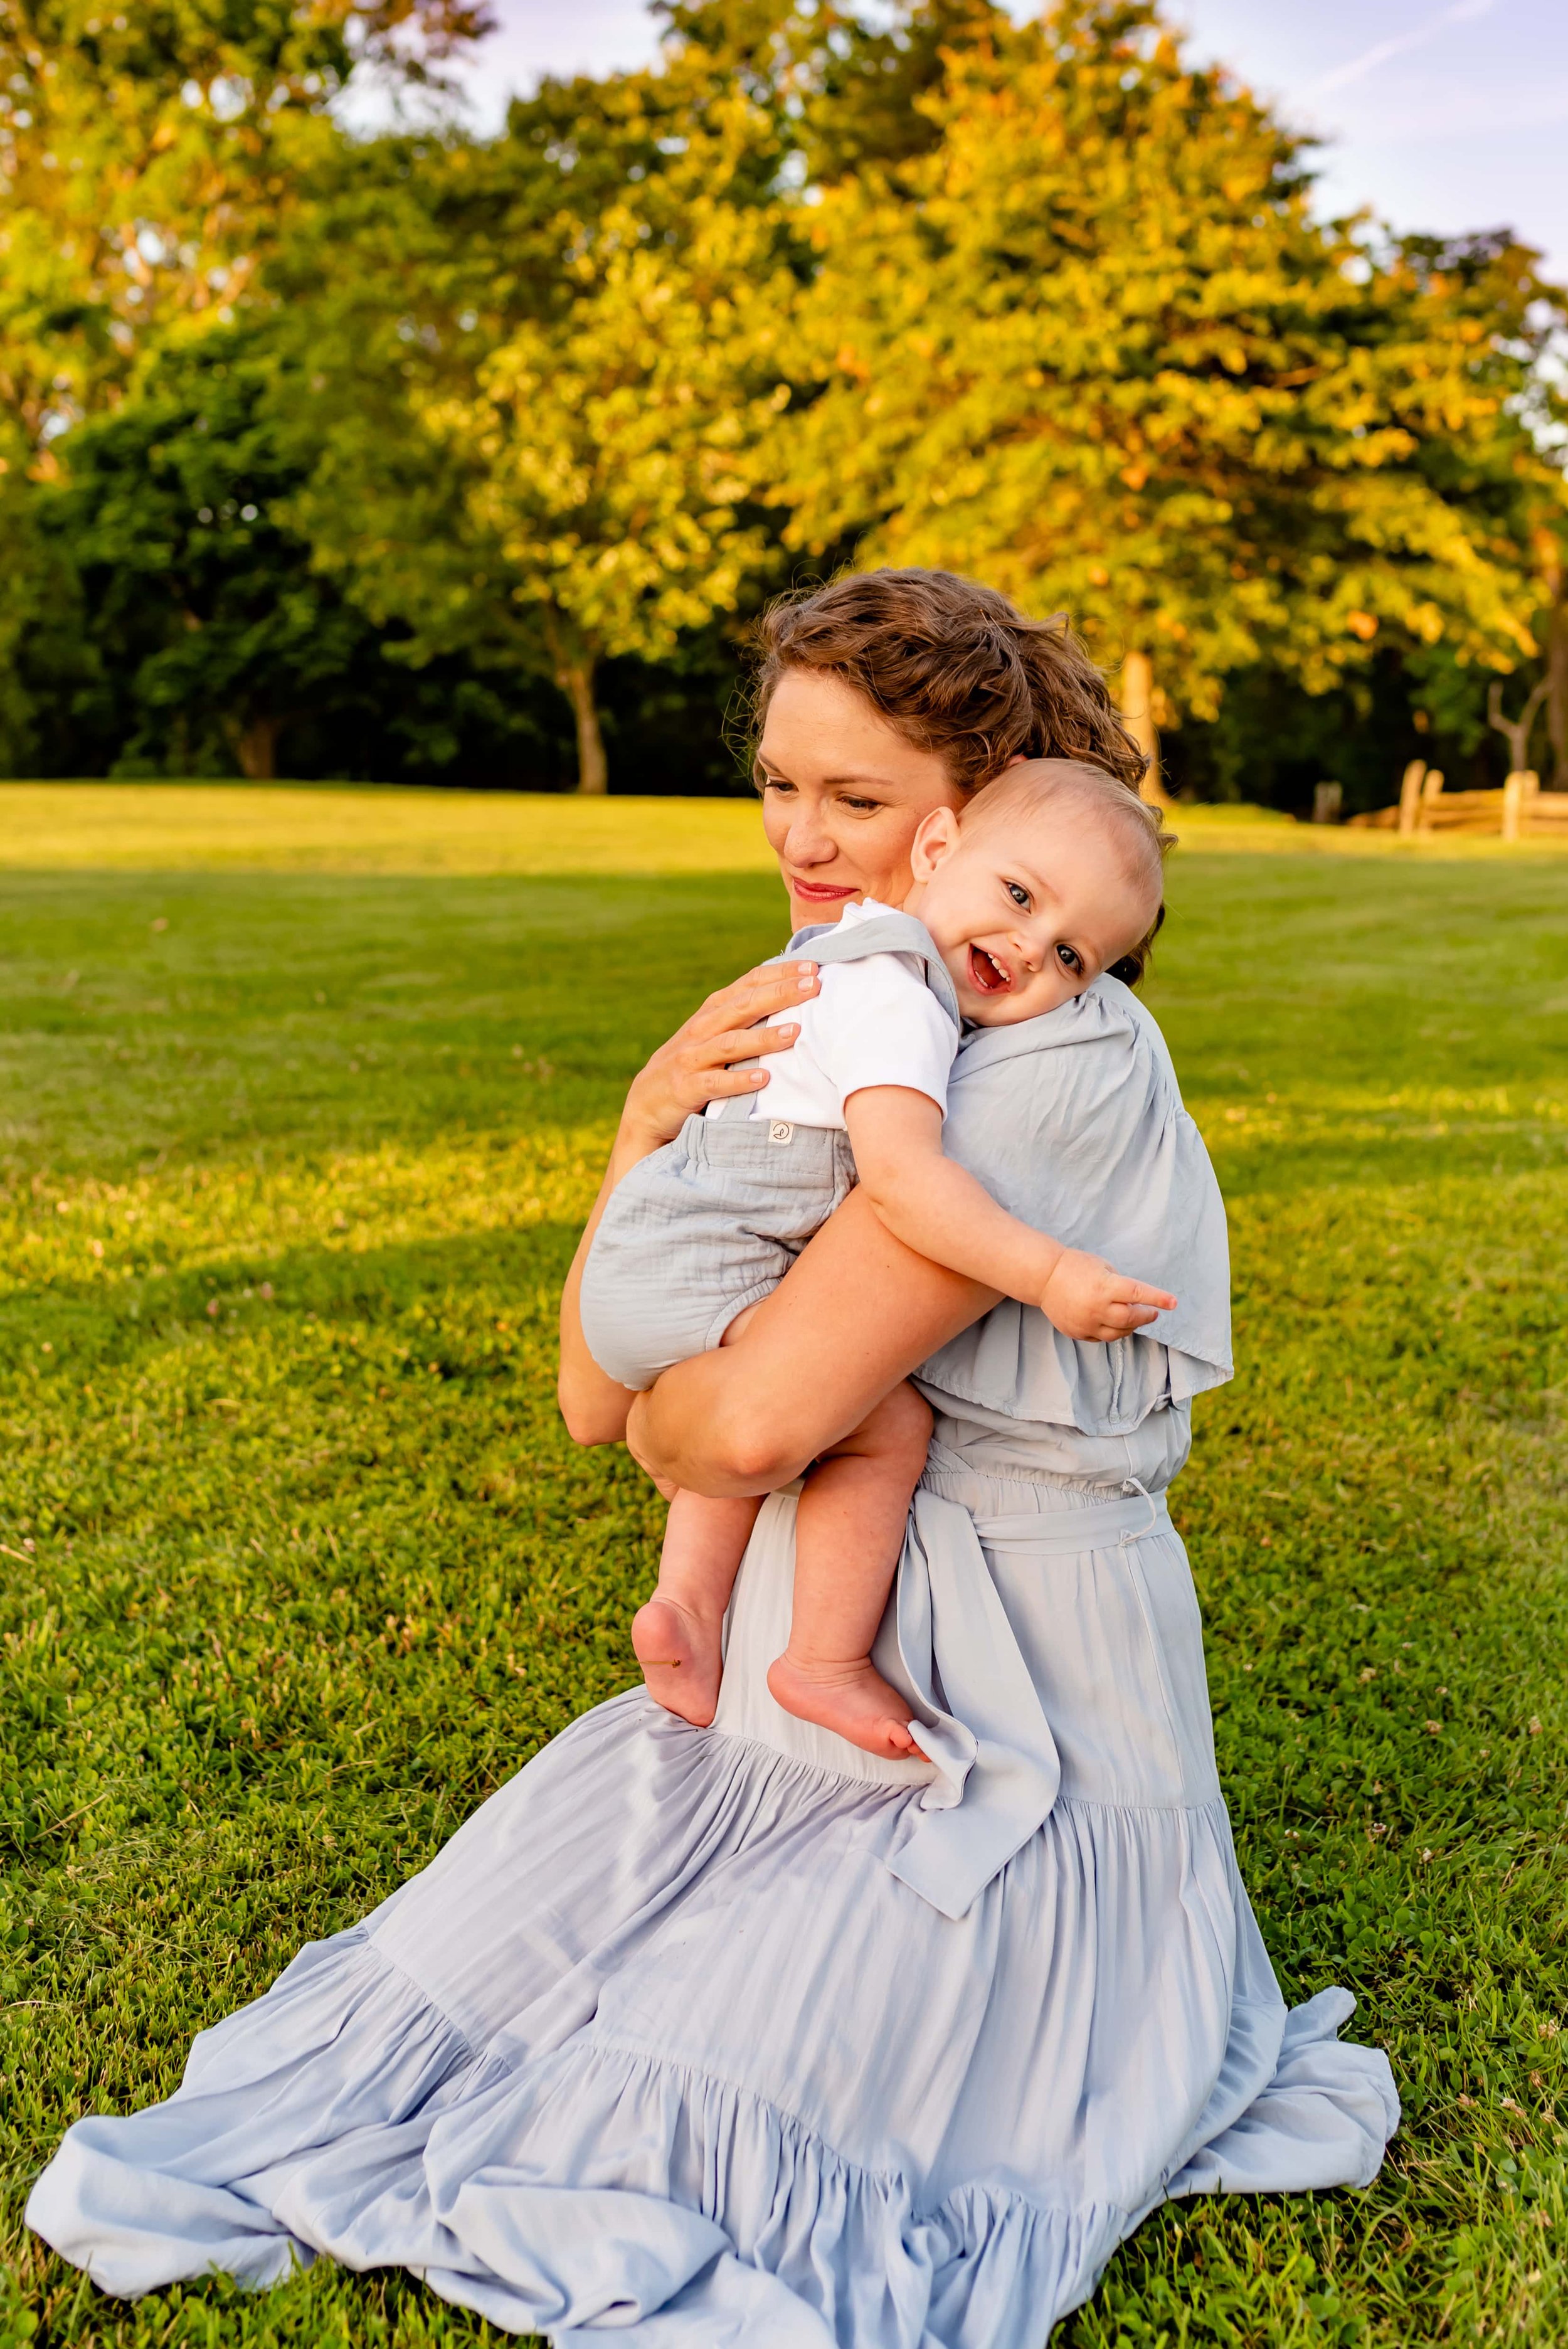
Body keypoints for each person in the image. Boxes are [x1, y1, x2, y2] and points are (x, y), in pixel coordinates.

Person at [27, 571, 1398, 2348]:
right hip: (789, 1665)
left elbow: (729, 1422)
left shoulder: (1043, 1063)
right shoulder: (853, 1002)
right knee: (472, 2008)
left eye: (855, 798)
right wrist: (639, 1120)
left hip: (1009, 1723)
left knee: (667, 2122)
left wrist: (704, 1408)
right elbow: (595, 1399)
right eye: (777, 785)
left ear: (971, 812)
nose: (803, 840)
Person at [583, 761, 1179, 1756]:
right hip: (697, 1258)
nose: (1030, 947)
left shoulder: (849, 952)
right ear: (937, 850)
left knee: (761, 1368)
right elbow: (905, 1185)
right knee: (885, 1424)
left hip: (659, 1251)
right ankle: (818, 1657)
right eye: (1019, 896)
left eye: (1073, 957)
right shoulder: (903, 996)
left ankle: (685, 1606)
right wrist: (1048, 1274)